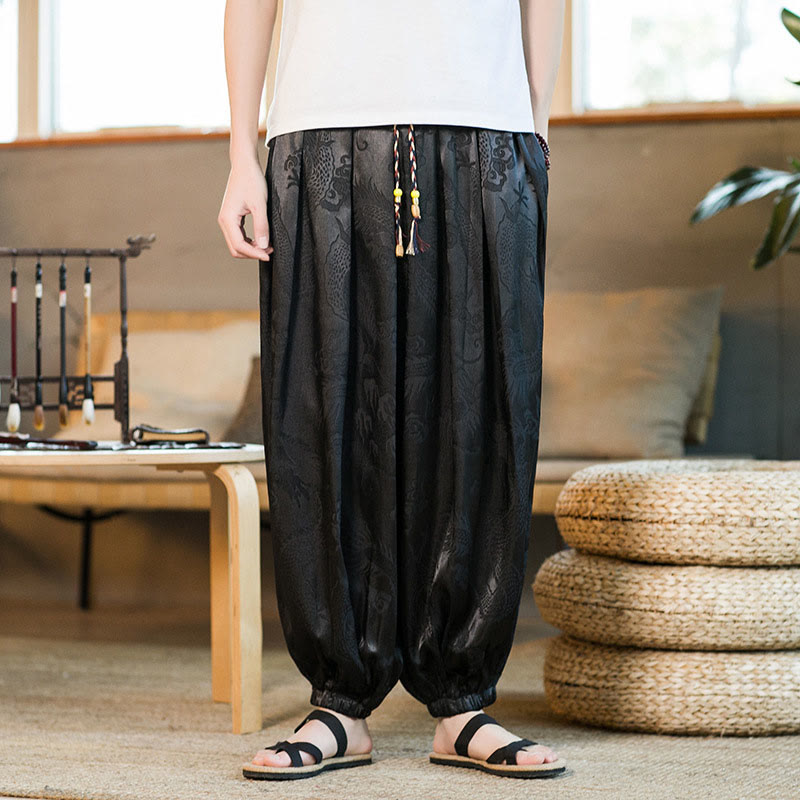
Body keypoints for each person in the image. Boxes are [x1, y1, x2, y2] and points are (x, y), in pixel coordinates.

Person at [218, 0, 567, 781]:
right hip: (319, 127)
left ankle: (463, 702)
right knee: (323, 413)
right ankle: (338, 705)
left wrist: (536, 125)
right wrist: (242, 154)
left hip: (487, 128)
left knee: (481, 415)